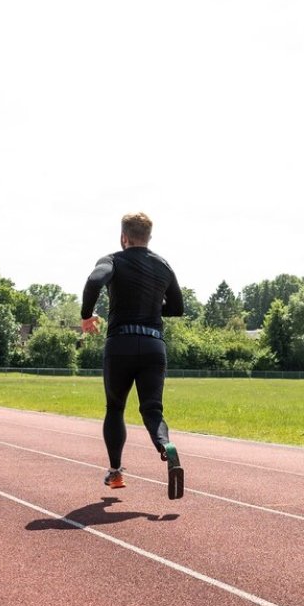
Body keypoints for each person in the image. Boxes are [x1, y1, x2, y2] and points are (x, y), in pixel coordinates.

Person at [81, 212, 185, 499]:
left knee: (115, 408)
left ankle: (115, 473)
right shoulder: (163, 264)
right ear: (149, 237)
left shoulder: (113, 259)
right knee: (152, 409)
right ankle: (166, 446)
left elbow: (94, 281)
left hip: (121, 344)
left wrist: (86, 316)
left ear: (123, 237)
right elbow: (177, 307)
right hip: (153, 345)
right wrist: (151, 309)